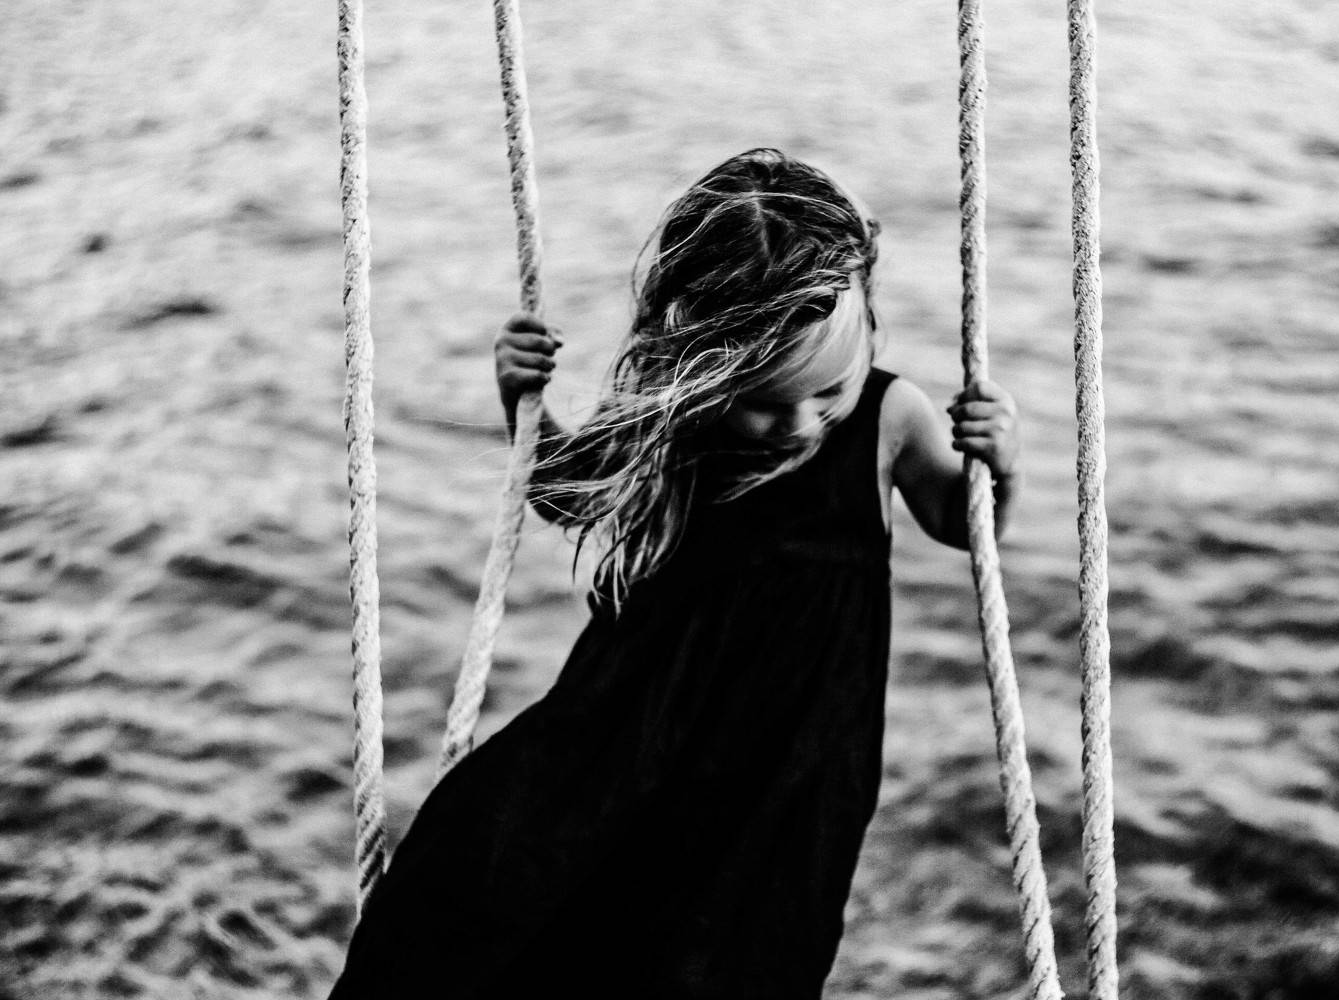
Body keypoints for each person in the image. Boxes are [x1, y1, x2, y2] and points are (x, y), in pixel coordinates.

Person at [328, 148, 1020, 999]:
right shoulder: (678, 410)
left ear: (869, 324)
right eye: (762, 402)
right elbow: (566, 495)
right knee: (495, 872)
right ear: (700, 359)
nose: (801, 424)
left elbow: (963, 523)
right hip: (637, 717)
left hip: (792, 757)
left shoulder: (891, 416)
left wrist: (998, 464)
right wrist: (523, 407)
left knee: (731, 950)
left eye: (826, 392)